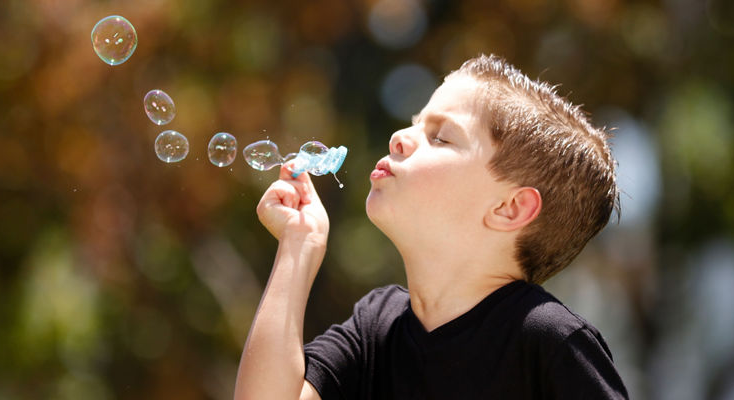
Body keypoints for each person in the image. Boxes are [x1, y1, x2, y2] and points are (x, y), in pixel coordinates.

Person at [233, 54, 628, 399]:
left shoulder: (548, 340)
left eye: (440, 137)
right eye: (415, 123)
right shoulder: (376, 327)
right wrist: (298, 246)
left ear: (510, 208)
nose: (399, 138)